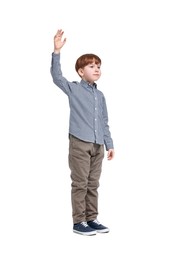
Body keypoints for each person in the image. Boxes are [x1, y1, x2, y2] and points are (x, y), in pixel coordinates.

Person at [50, 29, 115, 236]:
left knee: (93, 183)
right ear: (80, 71)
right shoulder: (73, 88)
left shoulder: (101, 95)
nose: (96, 69)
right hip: (79, 142)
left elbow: (104, 121)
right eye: (91, 66)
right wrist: (56, 52)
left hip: (97, 144)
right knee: (80, 183)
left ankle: (91, 218)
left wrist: (109, 144)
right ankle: (79, 222)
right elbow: (56, 76)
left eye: (98, 66)